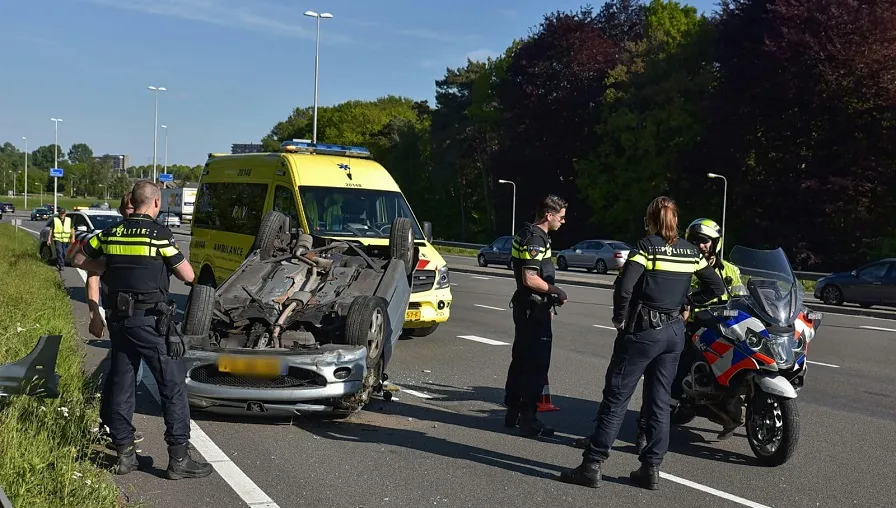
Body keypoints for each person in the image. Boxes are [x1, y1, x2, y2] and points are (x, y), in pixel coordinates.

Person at [559, 196, 725, 490]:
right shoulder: (691, 252)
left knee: (617, 397)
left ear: (650, 220)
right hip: (674, 332)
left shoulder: (646, 247)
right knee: (660, 402)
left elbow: (625, 287)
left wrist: (619, 319)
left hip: (643, 330)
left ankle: (592, 465)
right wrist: (687, 301)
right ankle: (650, 468)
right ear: (676, 221)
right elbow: (717, 287)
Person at [73, 181, 212, 480]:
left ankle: (125, 455)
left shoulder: (111, 233)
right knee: (172, 385)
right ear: (156, 203)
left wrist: (109, 268)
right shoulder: (159, 235)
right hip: (151, 321)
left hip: (119, 320)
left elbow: (79, 258)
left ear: (133, 202)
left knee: (122, 382)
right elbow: (187, 275)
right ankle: (179, 458)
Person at [629, 217, 743, 450]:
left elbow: (742, 299)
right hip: (690, 327)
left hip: (725, 329)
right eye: (696, 240)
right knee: (668, 376)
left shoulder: (730, 270)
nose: (701, 245)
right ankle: (644, 429)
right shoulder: (684, 264)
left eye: (706, 241)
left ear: (716, 243)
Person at [503, 194, 569, 437]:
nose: (563, 221)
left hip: (527, 306)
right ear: (549, 215)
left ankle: (512, 412)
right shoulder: (535, 239)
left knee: (520, 359)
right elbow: (530, 278)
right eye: (561, 217)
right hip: (533, 308)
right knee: (536, 364)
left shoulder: (526, 234)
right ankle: (528, 418)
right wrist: (556, 291)